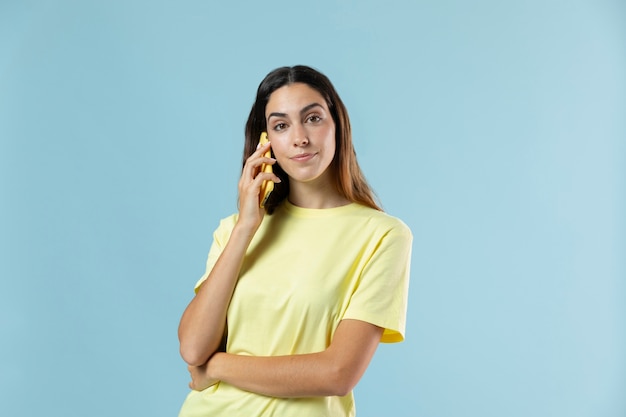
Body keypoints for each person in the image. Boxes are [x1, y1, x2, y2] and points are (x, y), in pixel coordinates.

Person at [177, 65, 412, 417]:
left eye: (313, 118)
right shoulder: (234, 230)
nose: (299, 138)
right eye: (281, 125)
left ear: (338, 125)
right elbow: (193, 348)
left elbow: (337, 373)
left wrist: (215, 368)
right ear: (265, 141)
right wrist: (246, 227)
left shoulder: (382, 236)